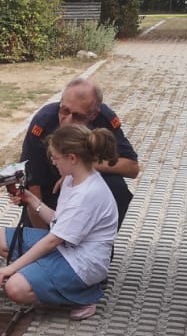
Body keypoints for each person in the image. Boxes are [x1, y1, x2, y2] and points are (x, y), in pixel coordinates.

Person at [0, 124, 120, 320]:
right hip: (67, 247)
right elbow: (58, 221)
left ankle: (84, 295)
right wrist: (30, 199)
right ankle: (44, 276)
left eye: (55, 156)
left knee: (14, 288)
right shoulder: (71, 178)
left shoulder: (87, 195)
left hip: (83, 262)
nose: (52, 161)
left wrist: (11, 268)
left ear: (72, 158)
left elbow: (53, 240)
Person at [14, 79, 141, 229]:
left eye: (78, 116)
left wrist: (81, 167)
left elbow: (132, 168)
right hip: (51, 192)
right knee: (8, 241)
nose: (68, 120)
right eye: (64, 111)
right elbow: (32, 181)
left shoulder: (104, 119)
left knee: (116, 188)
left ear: (93, 115)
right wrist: (43, 239)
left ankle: (99, 241)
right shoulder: (44, 121)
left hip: (89, 191)